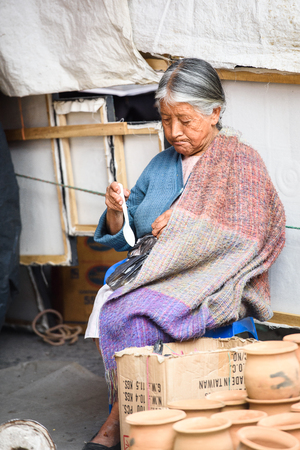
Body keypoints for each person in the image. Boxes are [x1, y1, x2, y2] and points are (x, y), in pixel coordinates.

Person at [83, 58, 285, 450]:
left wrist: (189, 218)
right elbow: (130, 239)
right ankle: (136, 405)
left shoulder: (241, 162)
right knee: (109, 298)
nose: (174, 131)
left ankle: (119, 419)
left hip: (210, 277)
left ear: (215, 112)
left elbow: (250, 234)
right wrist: (114, 212)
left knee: (132, 312)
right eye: (165, 119)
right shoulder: (160, 165)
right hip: (157, 270)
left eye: (186, 120)